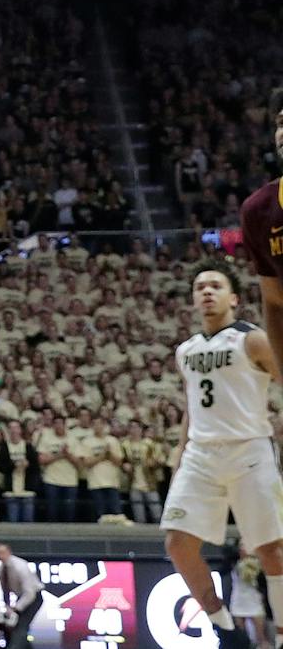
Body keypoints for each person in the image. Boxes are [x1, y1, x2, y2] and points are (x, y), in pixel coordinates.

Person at [158, 266, 283, 634]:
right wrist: (180, 458)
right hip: (201, 454)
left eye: (216, 285)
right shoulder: (186, 350)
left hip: (249, 451)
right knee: (177, 543)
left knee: (272, 551)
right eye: (200, 287)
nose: (207, 292)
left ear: (234, 298)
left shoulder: (253, 340)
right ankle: (215, 611)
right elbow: (191, 407)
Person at [0, 542, 43, 649]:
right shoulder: (1, 569)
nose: (0, 556)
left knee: (21, 625)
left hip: (33, 597)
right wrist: (7, 607)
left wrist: (17, 608)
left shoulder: (20, 566)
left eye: (2, 552)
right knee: (13, 626)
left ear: (9, 552)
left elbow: (30, 593)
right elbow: (5, 590)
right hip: (21, 596)